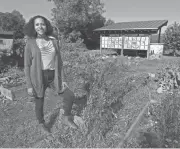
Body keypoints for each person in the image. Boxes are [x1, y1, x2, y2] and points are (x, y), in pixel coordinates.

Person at [23, 15, 78, 133]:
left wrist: (63, 79)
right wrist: (29, 85)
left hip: (53, 76)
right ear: (33, 27)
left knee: (69, 95)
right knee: (39, 101)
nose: (40, 27)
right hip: (38, 77)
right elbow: (27, 66)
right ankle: (41, 124)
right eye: (37, 24)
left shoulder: (53, 42)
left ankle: (66, 117)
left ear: (46, 25)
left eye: (42, 24)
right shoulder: (30, 43)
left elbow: (60, 62)